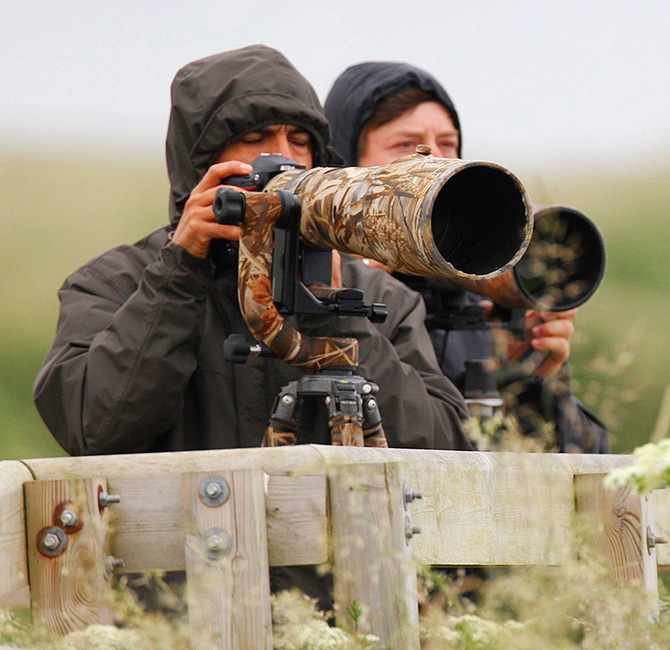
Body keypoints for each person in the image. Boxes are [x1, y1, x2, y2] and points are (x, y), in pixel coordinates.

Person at [33, 45, 474, 456]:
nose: (284, 159)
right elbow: (96, 430)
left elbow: (446, 450)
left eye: (299, 142)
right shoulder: (117, 283)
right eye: (257, 137)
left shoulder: (379, 295)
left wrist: (337, 313)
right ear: (201, 161)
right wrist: (180, 274)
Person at [323, 62, 609, 453]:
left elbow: (569, 472)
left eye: (448, 144)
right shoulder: (319, 289)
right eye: (407, 146)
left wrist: (534, 379)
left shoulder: (484, 298)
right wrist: (360, 288)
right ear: (345, 168)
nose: (435, 160)